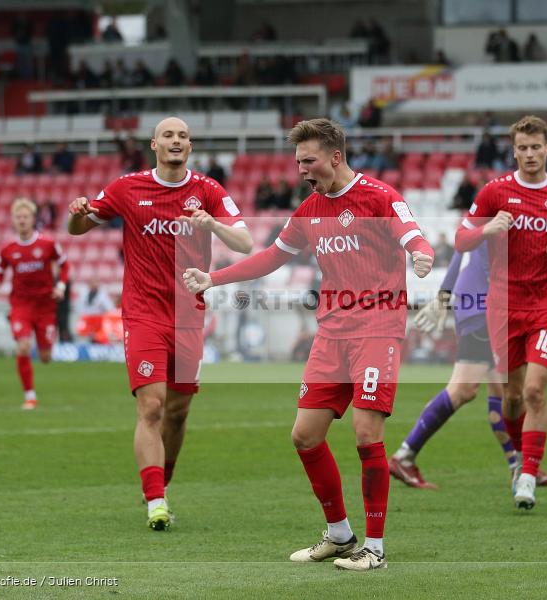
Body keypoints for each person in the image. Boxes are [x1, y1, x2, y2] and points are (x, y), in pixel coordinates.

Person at [182, 118, 434, 571]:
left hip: (378, 329)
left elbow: (413, 235)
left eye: (308, 161)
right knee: (304, 435)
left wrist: (421, 255)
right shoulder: (309, 211)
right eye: (298, 162)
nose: (301, 170)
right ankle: (340, 534)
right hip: (332, 334)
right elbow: (271, 257)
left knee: (365, 433)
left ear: (335, 157)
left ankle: (374, 548)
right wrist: (213, 278)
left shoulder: (380, 197)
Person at [67, 116, 253, 532]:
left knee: (178, 411)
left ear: (190, 146)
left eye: (183, 136)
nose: (176, 141)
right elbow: (78, 228)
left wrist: (212, 224)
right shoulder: (127, 187)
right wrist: (78, 212)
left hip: (189, 317)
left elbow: (246, 242)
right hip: (143, 313)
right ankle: (155, 500)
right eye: (168, 135)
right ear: (154, 144)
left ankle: (161, 486)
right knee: (151, 405)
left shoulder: (207, 191)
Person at [454, 115, 547, 511]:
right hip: (504, 304)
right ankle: (518, 462)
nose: (530, 154)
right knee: (511, 396)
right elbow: (462, 239)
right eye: (523, 148)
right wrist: (487, 230)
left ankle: (528, 475)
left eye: (536, 147)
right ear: (514, 151)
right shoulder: (495, 192)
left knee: (534, 389)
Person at [0, 198, 70, 410]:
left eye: (25, 217)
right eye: (18, 217)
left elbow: (64, 266)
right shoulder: (8, 248)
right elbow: (0, 269)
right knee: (23, 346)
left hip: (45, 306)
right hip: (21, 305)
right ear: (14, 221)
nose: (22, 220)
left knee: (45, 357)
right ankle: (30, 396)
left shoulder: (48, 244)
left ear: (33, 219)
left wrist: (60, 287)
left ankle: (45, 348)